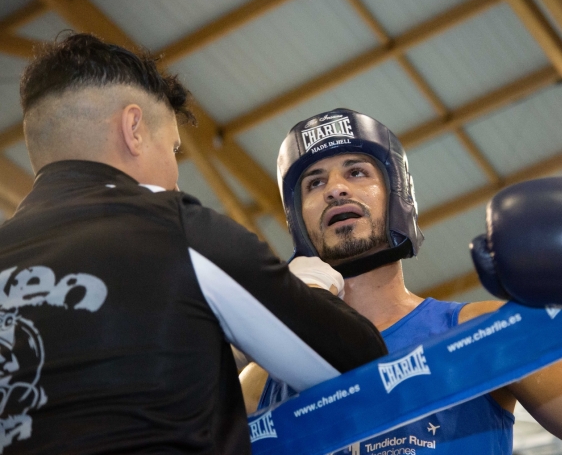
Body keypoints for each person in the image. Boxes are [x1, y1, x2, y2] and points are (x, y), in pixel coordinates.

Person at [0, 35, 387, 454]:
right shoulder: (177, 229)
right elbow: (357, 362)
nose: (176, 179)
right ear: (133, 129)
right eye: (173, 149)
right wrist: (309, 291)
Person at [240, 108, 562, 454]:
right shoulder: (262, 381)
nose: (335, 189)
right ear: (298, 220)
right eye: (315, 182)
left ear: (397, 196)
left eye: (356, 172)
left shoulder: (477, 330)